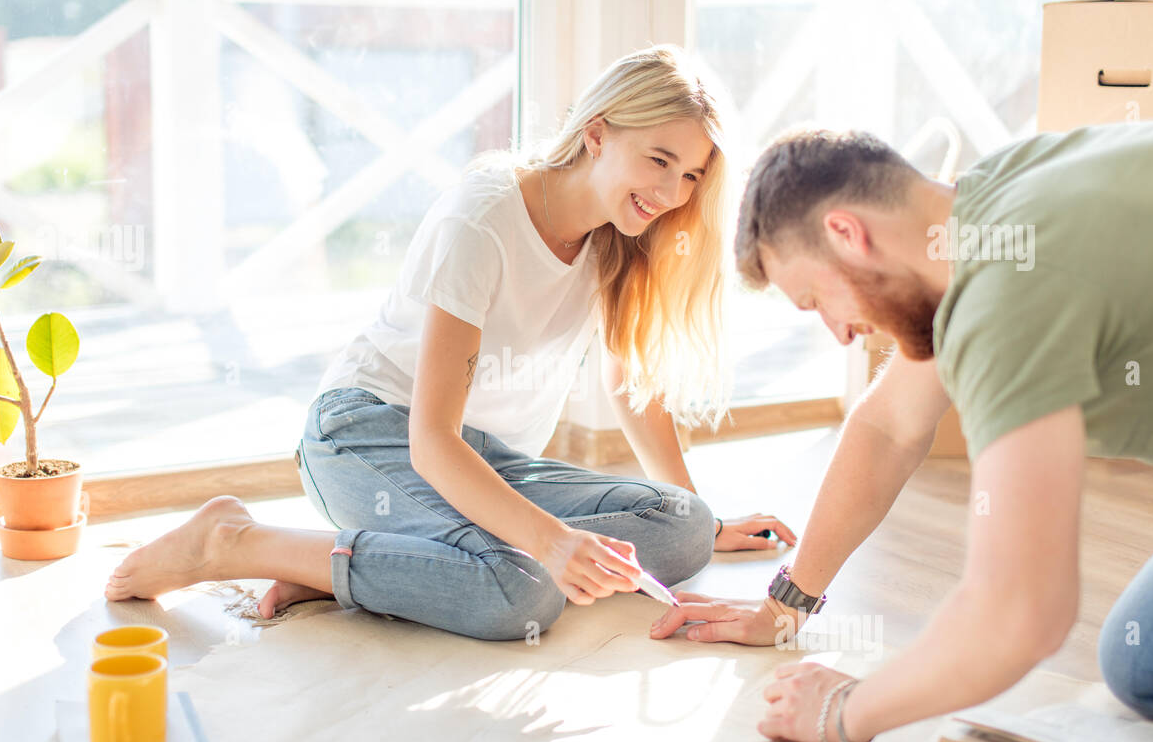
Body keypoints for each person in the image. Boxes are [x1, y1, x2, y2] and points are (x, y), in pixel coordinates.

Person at [105, 44, 796, 640]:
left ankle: (377, 571)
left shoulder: (617, 240)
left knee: (679, 526)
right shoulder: (487, 218)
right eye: (659, 160)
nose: (673, 192)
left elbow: (626, 384)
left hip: (489, 465)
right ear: (596, 133)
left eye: (692, 175)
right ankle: (236, 542)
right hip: (369, 436)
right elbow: (431, 442)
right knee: (521, 590)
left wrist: (702, 524)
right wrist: (549, 543)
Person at [650, 120, 1153, 742]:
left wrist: (845, 712)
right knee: (1146, 664)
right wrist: (785, 606)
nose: (840, 332)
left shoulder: (1007, 299)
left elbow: (1022, 615)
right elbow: (888, 425)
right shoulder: (993, 197)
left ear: (847, 232)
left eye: (816, 301)